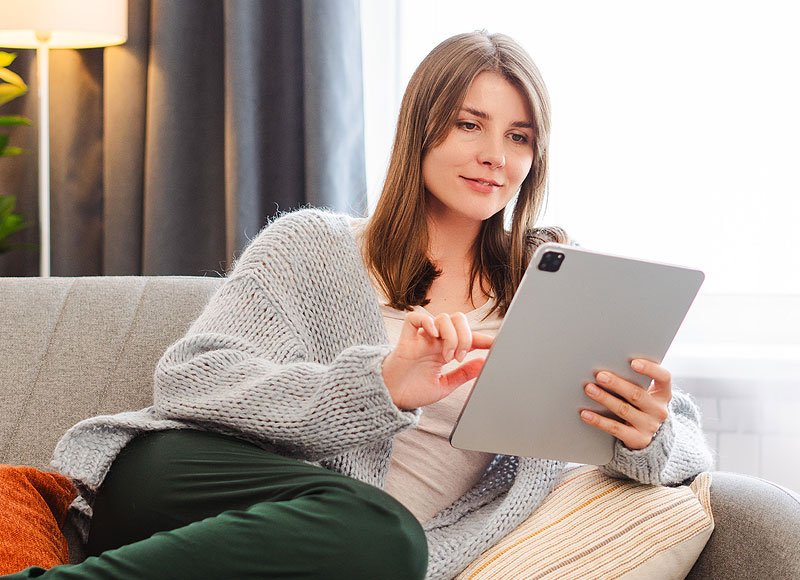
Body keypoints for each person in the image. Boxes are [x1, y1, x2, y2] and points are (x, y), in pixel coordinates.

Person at [3, 31, 713, 580]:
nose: (495, 155)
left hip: (346, 543)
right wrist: (379, 383)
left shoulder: (550, 279)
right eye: (470, 124)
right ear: (422, 127)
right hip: (189, 480)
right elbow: (191, 379)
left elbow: (679, 438)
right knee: (378, 531)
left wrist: (646, 434)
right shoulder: (315, 244)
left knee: (382, 538)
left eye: (519, 136)